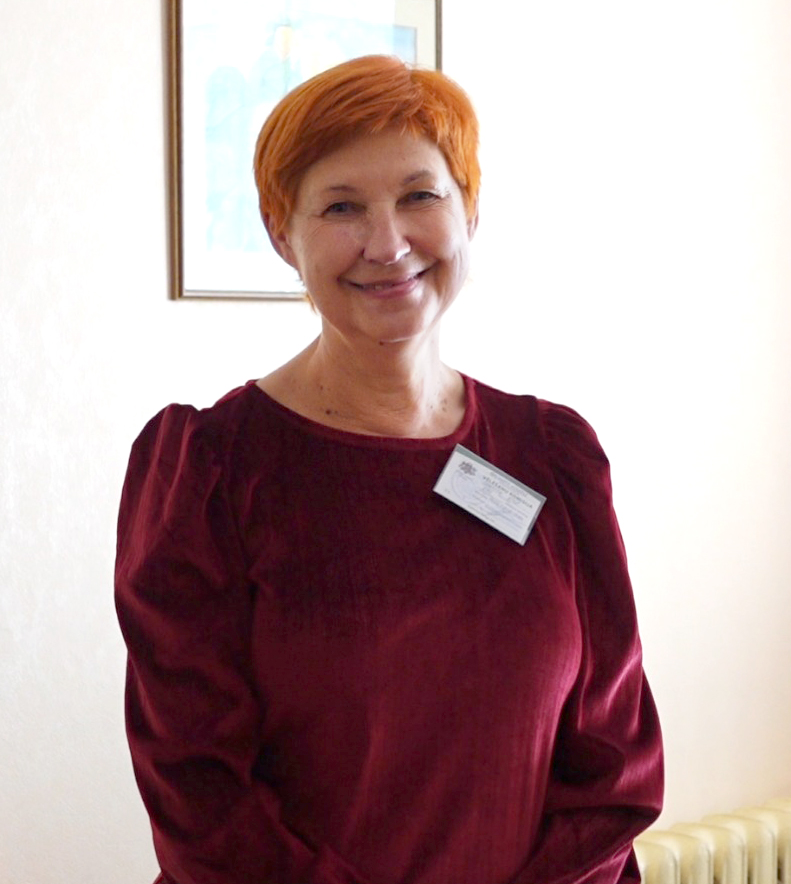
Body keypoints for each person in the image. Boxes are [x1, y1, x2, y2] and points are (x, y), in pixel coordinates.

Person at [115, 54, 663, 884]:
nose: (388, 243)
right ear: (280, 234)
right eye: (342, 207)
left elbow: (612, 768)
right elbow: (201, 799)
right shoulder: (208, 471)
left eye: (419, 196)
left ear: (468, 209)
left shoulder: (553, 456)